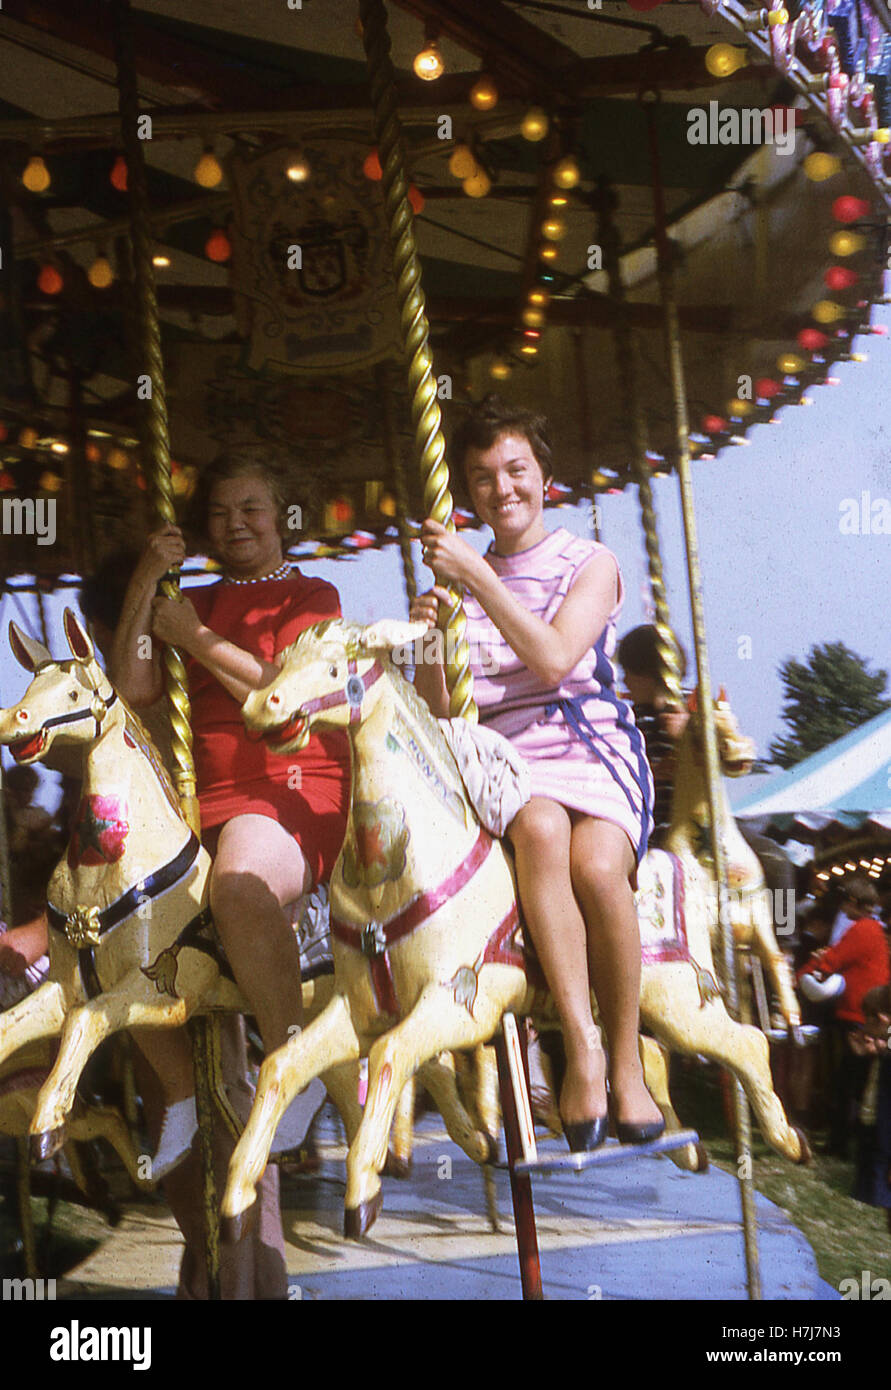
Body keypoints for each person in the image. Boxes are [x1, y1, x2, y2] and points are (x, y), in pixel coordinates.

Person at [410, 396, 663, 1151]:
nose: (502, 488)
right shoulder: (459, 585)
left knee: (593, 863)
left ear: (544, 476)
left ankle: (625, 1062)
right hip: (510, 765)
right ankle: (578, 1046)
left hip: (590, 749)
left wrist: (477, 584)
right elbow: (441, 711)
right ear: (467, 491)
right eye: (482, 477)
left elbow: (555, 659)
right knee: (541, 826)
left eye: (515, 469)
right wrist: (431, 640)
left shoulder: (588, 564)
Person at [110, 451, 351, 1189]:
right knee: (119, 911)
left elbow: (291, 689)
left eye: (249, 507)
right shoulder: (188, 597)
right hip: (202, 796)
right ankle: (181, 1090)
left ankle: (293, 1061)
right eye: (219, 512)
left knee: (240, 884)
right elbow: (132, 683)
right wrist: (147, 580)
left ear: (279, 513)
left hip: (288, 782)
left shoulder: (312, 595)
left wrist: (198, 639)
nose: (234, 523)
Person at [798, 877, 891, 1157]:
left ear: (852, 902)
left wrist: (801, 974)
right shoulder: (873, 929)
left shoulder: (862, 929)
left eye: (845, 902)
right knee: (854, 1080)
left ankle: (840, 1143)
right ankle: (845, 1140)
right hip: (864, 1012)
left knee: (846, 1080)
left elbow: (834, 959)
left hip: (857, 1013)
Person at [616, 625, 688, 846]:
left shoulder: (693, 712)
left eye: (628, 673)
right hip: (655, 826)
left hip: (694, 821)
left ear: (648, 675)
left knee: (772, 858)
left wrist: (688, 735)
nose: (624, 681)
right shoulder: (628, 721)